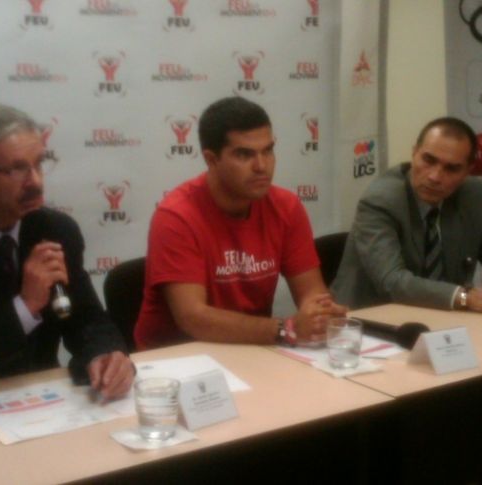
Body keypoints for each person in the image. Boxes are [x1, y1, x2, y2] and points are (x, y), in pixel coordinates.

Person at [0, 103, 134, 399]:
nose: (36, 181)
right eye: (18, 168)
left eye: (39, 164)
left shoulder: (55, 230)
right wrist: (25, 306)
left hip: (41, 402)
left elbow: (86, 317)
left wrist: (106, 354)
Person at [134, 96, 346, 350]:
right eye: (245, 154)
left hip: (250, 351)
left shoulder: (286, 207)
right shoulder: (177, 216)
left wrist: (320, 314)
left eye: (268, 150)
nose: (261, 166)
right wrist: (284, 329)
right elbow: (194, 318)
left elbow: (312, 293)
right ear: (212, 160)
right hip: (177, 359)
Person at [331, 116, 482, 313]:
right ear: (414, 153)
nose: (434, 176)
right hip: (372, 322)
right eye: (428, 160)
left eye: (451, 168)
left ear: (467, 171)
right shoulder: (381, 200)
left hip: (446, 322)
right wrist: (468, 297)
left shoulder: (474, 195)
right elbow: (392, 282)